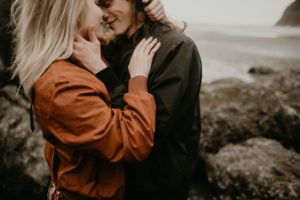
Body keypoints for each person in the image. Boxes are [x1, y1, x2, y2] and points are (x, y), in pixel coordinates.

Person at [10, 0, 164, 199]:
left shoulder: (75, 56)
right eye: (95, 3)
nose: (102, 13)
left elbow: (121, 41)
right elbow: (134, 142)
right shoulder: (62, 87)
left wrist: (144, 13)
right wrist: (138, 78)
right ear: (73, 13)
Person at [73, 0, 202, 199]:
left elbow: (152, 129)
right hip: (117, 182)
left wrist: (103, 72)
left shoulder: (177, 47)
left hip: (157, 186)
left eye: (107, 3)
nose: (102, 13)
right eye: (98, 6)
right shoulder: (113, 46)